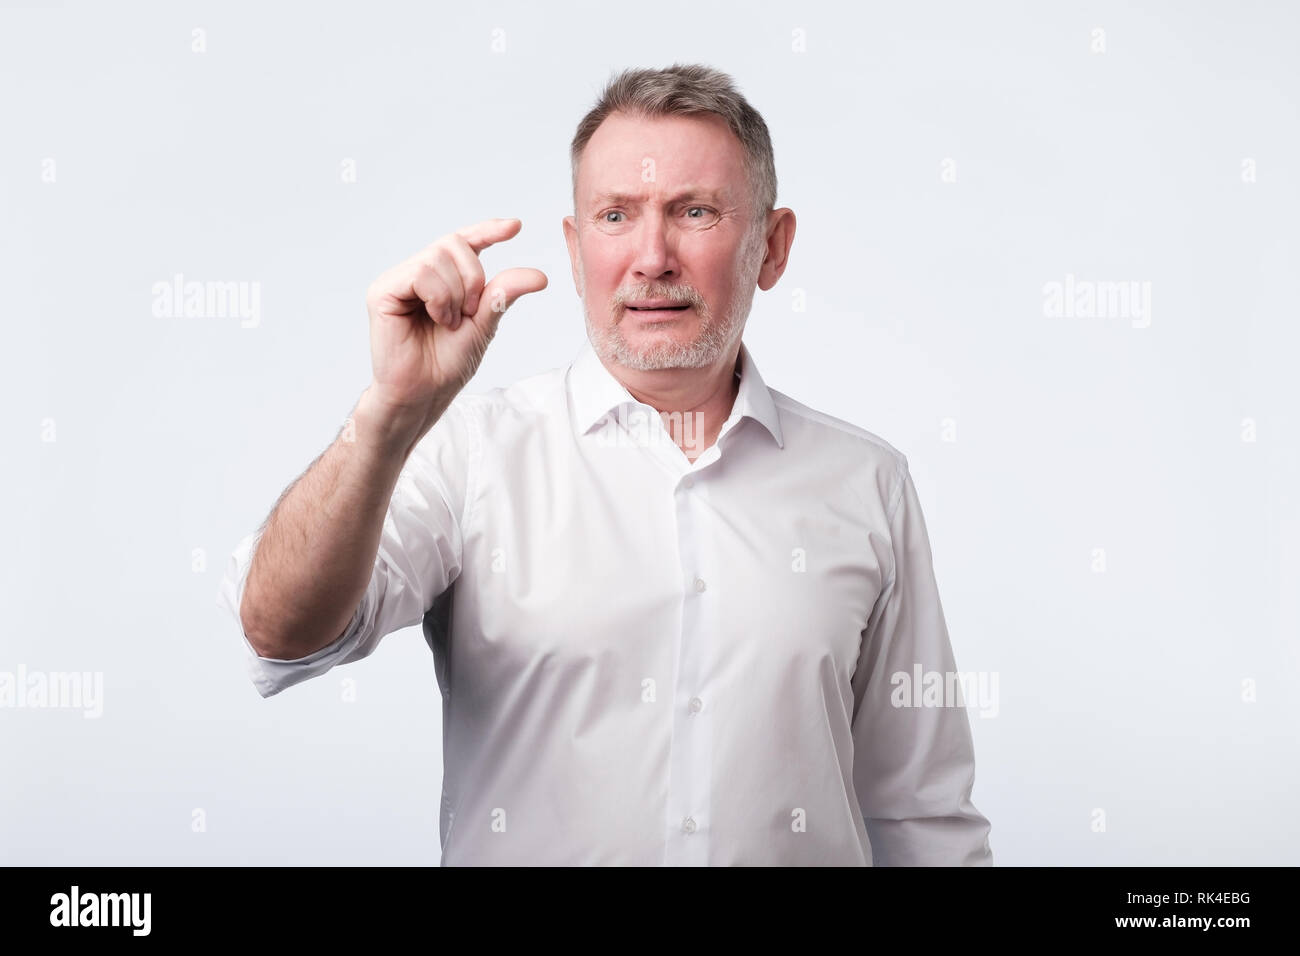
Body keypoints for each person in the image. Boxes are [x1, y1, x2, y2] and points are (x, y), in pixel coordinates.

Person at [217, 62, 993, 866]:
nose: (652, 258)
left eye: (695, 211)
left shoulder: (867, 484)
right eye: (616, 215)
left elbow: (920, 818)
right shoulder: (472, 454)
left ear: (772, 245)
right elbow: (280, 635)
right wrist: (385, 418)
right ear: (576, 246)